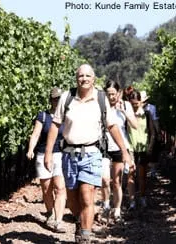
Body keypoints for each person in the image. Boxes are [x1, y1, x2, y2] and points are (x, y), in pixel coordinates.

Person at [44, 64, 132, 244]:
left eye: (87, 76)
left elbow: (112, 126)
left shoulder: (101, 98)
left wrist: (125, 151)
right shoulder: (67, 98)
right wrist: (48, 153)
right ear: (76, 78)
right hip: (69, 154)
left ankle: (84, 236)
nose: (84, 79)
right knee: (73, 199)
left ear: (93, 78)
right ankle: (79, 221)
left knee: (87, 194)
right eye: (80, 76)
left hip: (92, 153)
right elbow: (55, 125)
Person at [26, 87, 66, 233]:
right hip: (43, 155)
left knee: (60, 187)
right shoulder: (43, 116)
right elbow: (35, 134)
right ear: (51, 100)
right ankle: (50, 213)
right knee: (47, 188)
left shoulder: (66, 116)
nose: (57, 101)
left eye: (60, 99)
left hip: (60, 155)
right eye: (55, 99)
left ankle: (59, 220)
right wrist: (31, 149)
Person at [103, 80, 137, 222]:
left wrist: (123, 111)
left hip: (120, 146)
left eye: (113, 94)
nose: (111, 97)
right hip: (104, 146)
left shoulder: (126, 105)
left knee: (116, 181)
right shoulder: (101, 105)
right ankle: (105, 205)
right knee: (104, 179)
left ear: (119, 93)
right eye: (108, 94)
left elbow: (135, 125)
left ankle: (116, 209)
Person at [128, 90, 155, 209]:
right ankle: (132, 201)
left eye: (136, 104)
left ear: (141, 102)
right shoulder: (127, 115)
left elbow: (152, 132)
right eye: (132, 104)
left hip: (143, 148)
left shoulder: (147, 114)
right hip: (130, 148)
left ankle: (143, 197)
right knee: (131, 175)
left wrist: (149, 148)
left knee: (142, 176)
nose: (134, 106)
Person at [140, 90, 161, 178]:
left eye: (144, 101)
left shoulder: (152, 108)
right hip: (141, 131)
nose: (143, 103)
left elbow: (155, 121)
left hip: (150, 130)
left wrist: (157, 132)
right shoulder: (137, 108)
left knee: (153, 150)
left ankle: (152, 170)